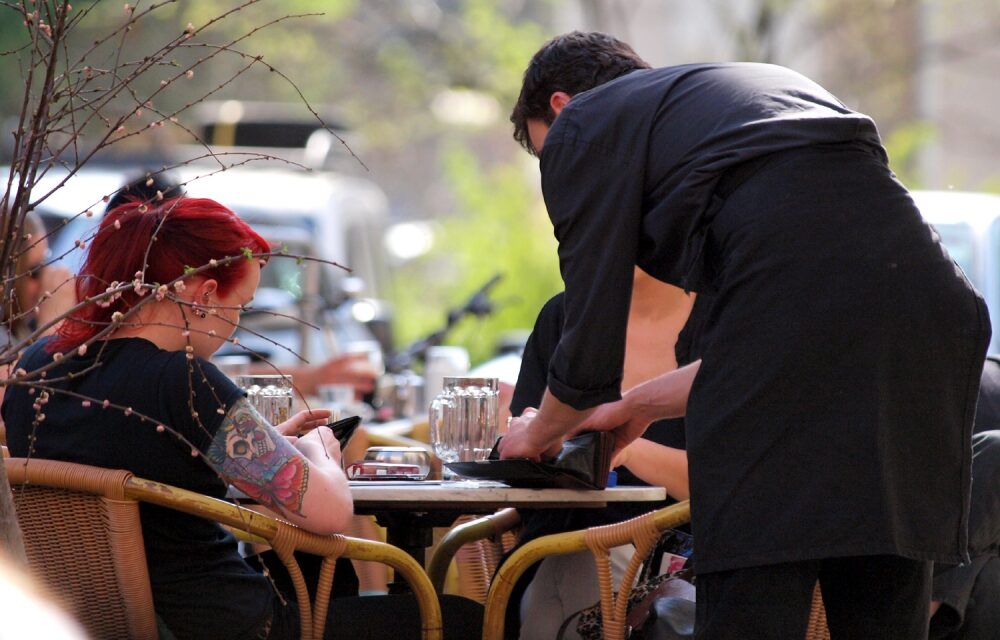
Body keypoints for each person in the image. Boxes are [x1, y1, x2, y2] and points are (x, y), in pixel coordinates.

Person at [499, 31, 990, 638]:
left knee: (756, 583)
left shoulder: (586, 125)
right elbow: (780, 338)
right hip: (932, 308)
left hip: (818, 314)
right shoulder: (742, 101)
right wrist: (634, 409)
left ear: (561, 108)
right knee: (879, 574)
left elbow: (590, 324)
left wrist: (538, 431)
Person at [1, 197, 481, 639]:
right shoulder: (184, 381)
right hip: (230, 625)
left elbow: (140, 454)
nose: (235, 328)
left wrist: (267, 443)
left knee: (327, 580)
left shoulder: (35, 368)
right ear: (206, 294)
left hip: (88, 620)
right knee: (460, 618)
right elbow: (331, 510)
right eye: (241, 307)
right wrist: (317, 451)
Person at [511, 268, 701, 640]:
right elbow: (520, 462)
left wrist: (625, 449)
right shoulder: (564, 317)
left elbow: (738, 480)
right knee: (575, 565)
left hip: (685, 562)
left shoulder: (723, 321)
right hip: (563, 541)